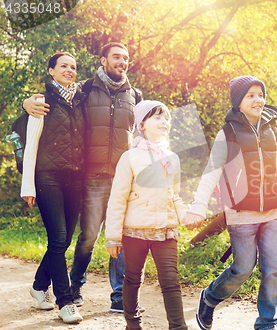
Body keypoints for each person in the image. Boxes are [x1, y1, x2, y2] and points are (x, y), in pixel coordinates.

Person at [183, 75, 277, 330]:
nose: (258, 100)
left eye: (260, 94)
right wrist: (199, 205)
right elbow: (212, 171)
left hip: (272, 212)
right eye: (250, 95)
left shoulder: (274, 128)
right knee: (243, 269)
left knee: (274, 268)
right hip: (241, 214)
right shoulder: (228, 132)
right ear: (238, 102)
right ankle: (209, 298)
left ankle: (266, 323)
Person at [22, 42, 142, 313]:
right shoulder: (85, 90)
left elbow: (145, 129)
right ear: (103, 60)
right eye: (116, 57)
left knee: (118, 236)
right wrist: (27, 101)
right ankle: (73, 287)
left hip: (121, 177)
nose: (121, 61)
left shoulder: (135, 94)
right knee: (85, 237)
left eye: (125, 58)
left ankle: (119, 297)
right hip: (90, 176)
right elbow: (44, 113)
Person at [105, 100, 201, 330]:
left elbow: (174, 196)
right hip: (135, 231)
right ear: (142, 123)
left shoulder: (172, 158)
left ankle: (178, 326)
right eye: (157, 117)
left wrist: (186, 216)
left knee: (170, 281)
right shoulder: (129, 158)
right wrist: (113, 237)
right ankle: (132, 324)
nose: (164, 122)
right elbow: (117, 199)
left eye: (166, 118)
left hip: (166, 230)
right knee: (132, 278)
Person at [21, 52, 85, 323]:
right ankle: (65, 302)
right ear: (51, 71)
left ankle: (38, 286)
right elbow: (31, 144)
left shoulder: (82, 99)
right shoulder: (40, 102)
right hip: (48, 177)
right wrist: (28, 185)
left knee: (65, 239)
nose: (69, 70)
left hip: (76, 179)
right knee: (58, 238)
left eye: (73, 67)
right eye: (63, 66)